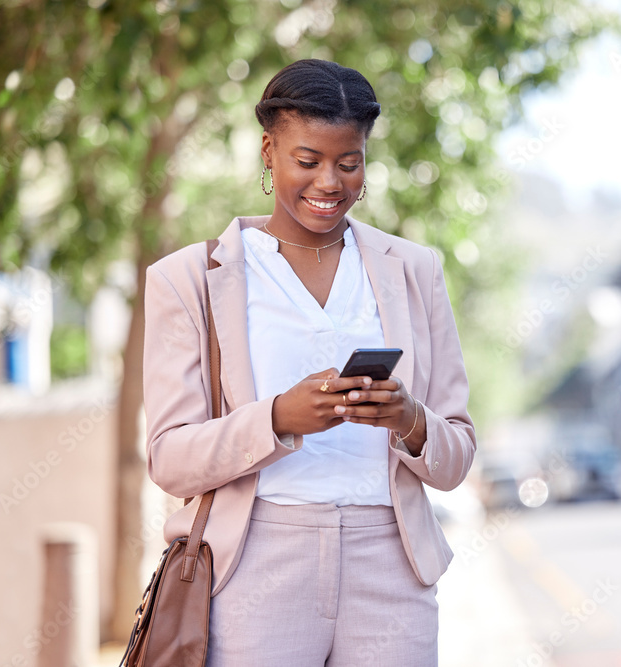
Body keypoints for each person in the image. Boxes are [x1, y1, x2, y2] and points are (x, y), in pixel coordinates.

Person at [141, 59, 476, 666]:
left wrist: (409, 418)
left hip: (392, 565)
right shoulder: (188, 279)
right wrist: (277, 418)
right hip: (256, 561)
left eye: (349, 164)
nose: (330, 183)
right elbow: (170, 460)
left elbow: (456, 455)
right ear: (268, 152)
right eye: (307, 161)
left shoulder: (415, 270)